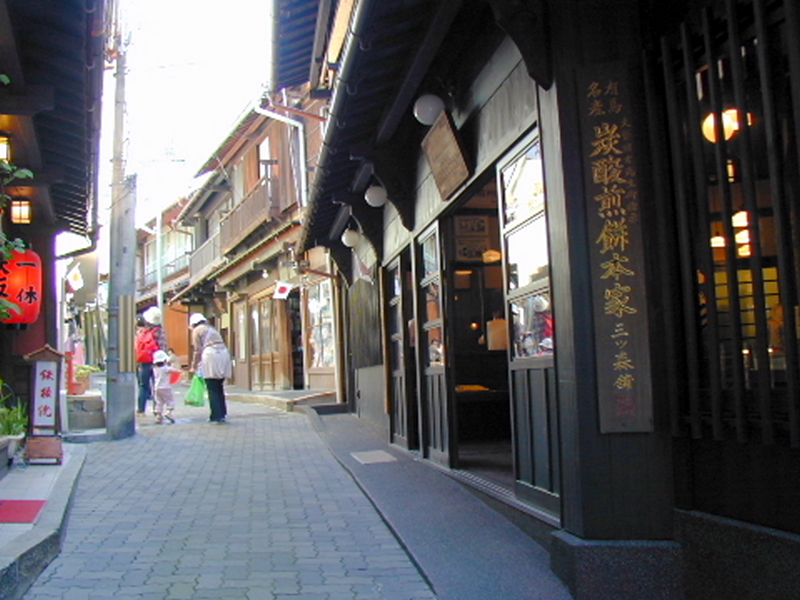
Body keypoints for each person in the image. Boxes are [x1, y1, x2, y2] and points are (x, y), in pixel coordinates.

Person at [189, 313, 232, 423]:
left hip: (211, 355)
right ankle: (222, 413)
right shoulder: (212, 329)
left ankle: (215, 415)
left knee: (211, 386)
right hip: (223, 354)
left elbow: (197, 350)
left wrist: (194, 366)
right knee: (219, 385)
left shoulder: (197, 331)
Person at [135, 306, 167, 415]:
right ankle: (156, 409)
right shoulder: (160, 331)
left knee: (143, 386)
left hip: (144, 362)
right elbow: (163, 347)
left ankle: (141, 409)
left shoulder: (142, 332)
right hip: (157, 362)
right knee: (156, 386)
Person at [152, 350, 181, 424]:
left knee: (159, 402)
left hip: (156, 388)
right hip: (165, 387)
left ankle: (158, 416)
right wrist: (181, 371)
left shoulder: (155, 368)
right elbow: (176, 371)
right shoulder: (166, 368)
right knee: (170, 401)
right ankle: (168, 412)